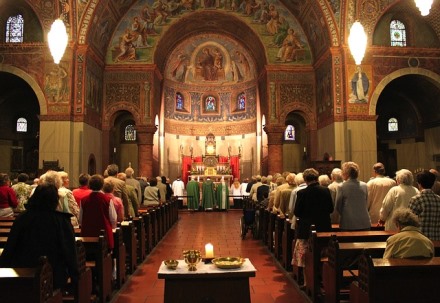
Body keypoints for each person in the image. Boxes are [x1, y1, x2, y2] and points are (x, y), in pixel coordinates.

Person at [0, 183, 79, 291]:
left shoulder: (23, 218)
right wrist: (75, 276)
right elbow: (69, 250)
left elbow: (11, 245)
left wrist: (3, 267)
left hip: (23, 271)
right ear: (55, 200)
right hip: (54, 274)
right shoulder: (61, 221)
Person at [293, 168, 333, 287]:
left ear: (305, 179)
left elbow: (297, 212)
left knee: (306, 257)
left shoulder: (301, 193)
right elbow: (331, 209)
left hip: (306, 229)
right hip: (324, 228)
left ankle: (307, 282)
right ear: (317, 178)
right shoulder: (325, 190)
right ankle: (322, 281)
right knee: (323, 254)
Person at [80, 174, 117, 250]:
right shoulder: (107, 199)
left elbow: (80, 218)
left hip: (87, 234)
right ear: (102, 185)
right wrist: (112, 228)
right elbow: (113, 218)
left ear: (89, 185)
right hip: (104, 233)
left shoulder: (84, 200)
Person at [335, 162, 371, 231]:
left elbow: (338, 206)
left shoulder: (342, 186)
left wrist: (345, 213)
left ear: (346, 173)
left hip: (348, 223)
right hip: (364, 222)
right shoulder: (364, 185)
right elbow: (366, 202)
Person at [409, 170, 440, 240]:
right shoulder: (438, 199)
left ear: (419, 184)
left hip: (421, 240)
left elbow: (410, 222)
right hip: (437, 239)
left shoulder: (415, 199)